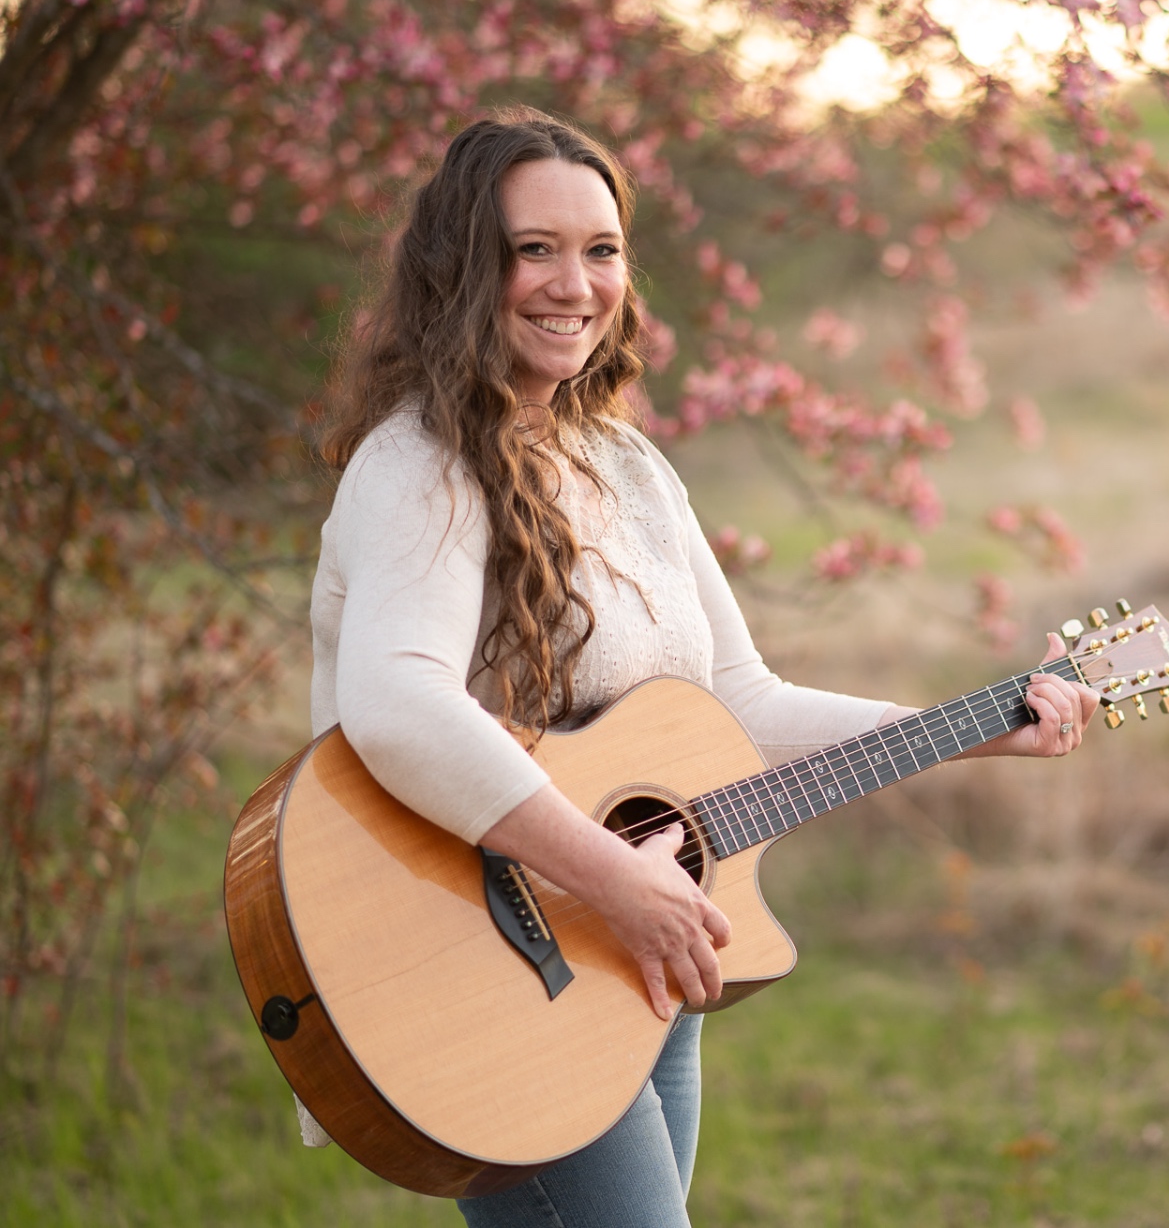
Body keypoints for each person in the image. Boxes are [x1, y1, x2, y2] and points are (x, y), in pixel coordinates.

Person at [306, 107, 1099, 1227]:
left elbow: (740, 704)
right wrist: (613, 873)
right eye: (534, 248)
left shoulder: (626, 463)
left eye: (602, 250)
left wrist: (973, 722)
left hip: (627, 949)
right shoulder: (418, 464)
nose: (572, 283)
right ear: (461, 265)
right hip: (490, 959)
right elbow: (394, 702)